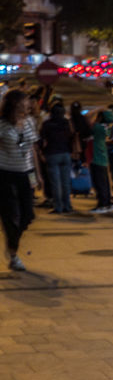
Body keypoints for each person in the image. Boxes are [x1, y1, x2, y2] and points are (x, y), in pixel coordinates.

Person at [0, 89, 40, 271]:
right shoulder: (2, 125)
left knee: (28, 215)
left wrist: (37, 175)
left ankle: (12, 242)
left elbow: (32, 150)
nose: (29, 104)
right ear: (15, 104)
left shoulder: (30, 122)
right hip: (5, 174)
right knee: (10, 215)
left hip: (27, 174)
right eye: (25, 101)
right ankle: (13, 253)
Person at [39, 103, 75, 214]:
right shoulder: (66, 123)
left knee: (55, 183)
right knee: (66, 182)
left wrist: (41, 153)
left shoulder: (47, 124)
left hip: (52, 154)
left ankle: (58, 206)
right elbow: (72, 135)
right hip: (65, 153)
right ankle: (67, 206)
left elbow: (43, 141)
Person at [88, 110, 113, 213]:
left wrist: (95, 111)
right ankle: (106, 203)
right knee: (104, 182)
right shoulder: (106, 127)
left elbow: (87, 120)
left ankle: (102, 204)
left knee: (99, 183)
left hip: (97, 157)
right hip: (102, 157)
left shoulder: (97, 127)